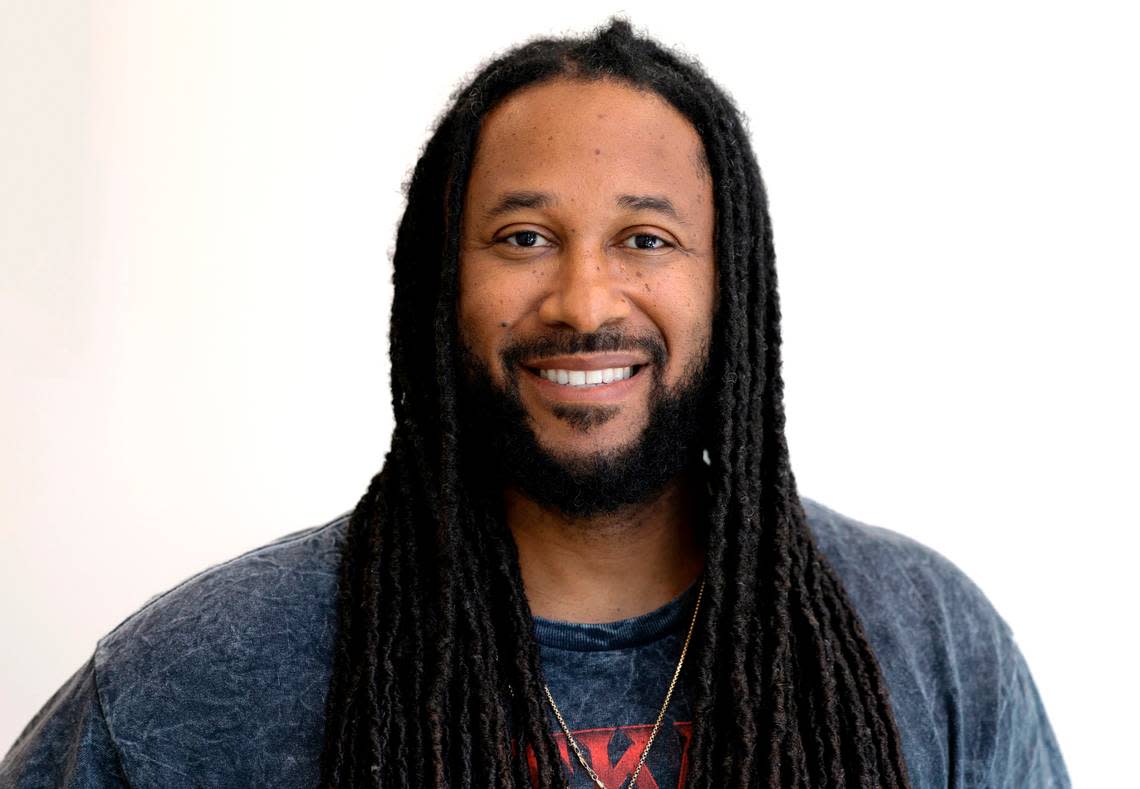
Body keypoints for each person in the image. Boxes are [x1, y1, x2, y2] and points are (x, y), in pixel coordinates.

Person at [1, 19, 1068, 789]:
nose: (584, 299)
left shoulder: (928, 648)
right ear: (441, 289)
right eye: (524, 239)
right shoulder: (196, 680)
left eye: (646, 239)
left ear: (730, 287)